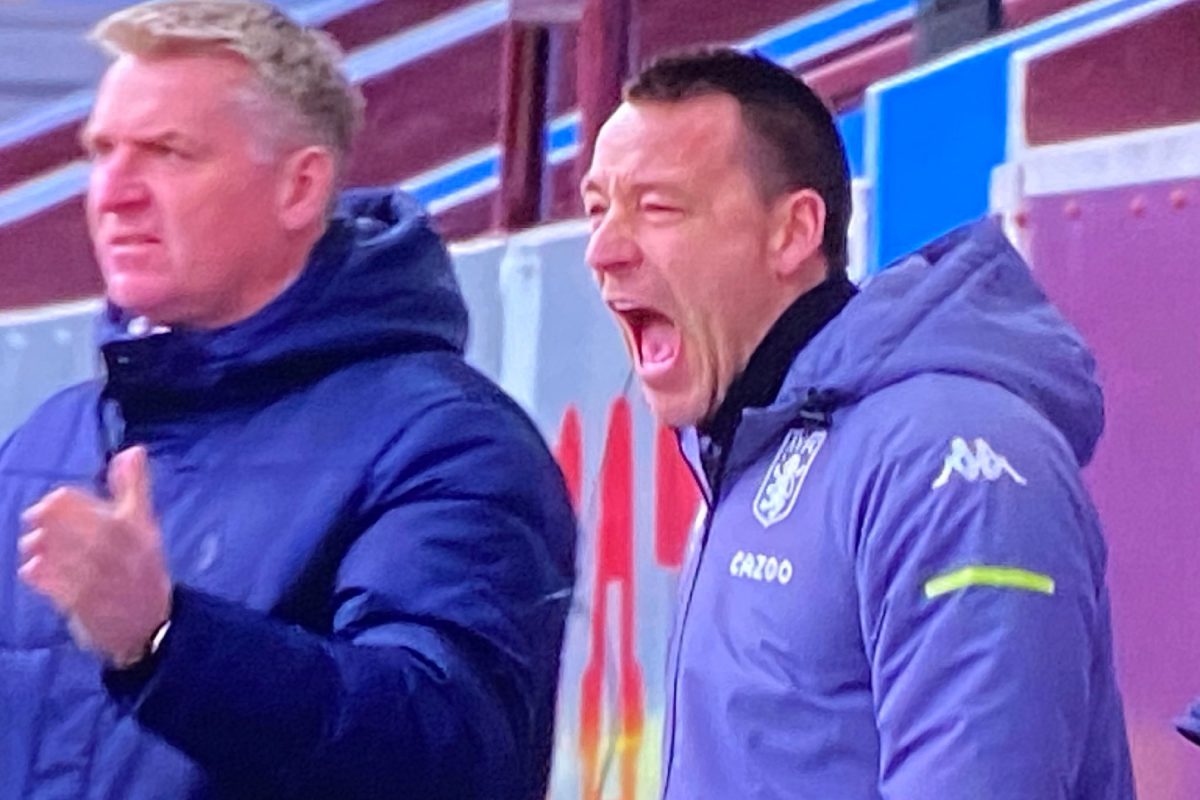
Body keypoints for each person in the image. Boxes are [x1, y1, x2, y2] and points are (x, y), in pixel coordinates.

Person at [0, 2, 575, 798]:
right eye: (102, 153)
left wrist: (167, 638)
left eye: (167, 153)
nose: (114, 193)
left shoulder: (449, 442)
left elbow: (454, 754)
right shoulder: (48, 441)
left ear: (300, 187)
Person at [580, 48, 1134, 799]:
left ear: (793, 231)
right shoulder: (755, 443)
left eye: (657, 207)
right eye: (595, 209)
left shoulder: (952, 461)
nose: (603, 251)